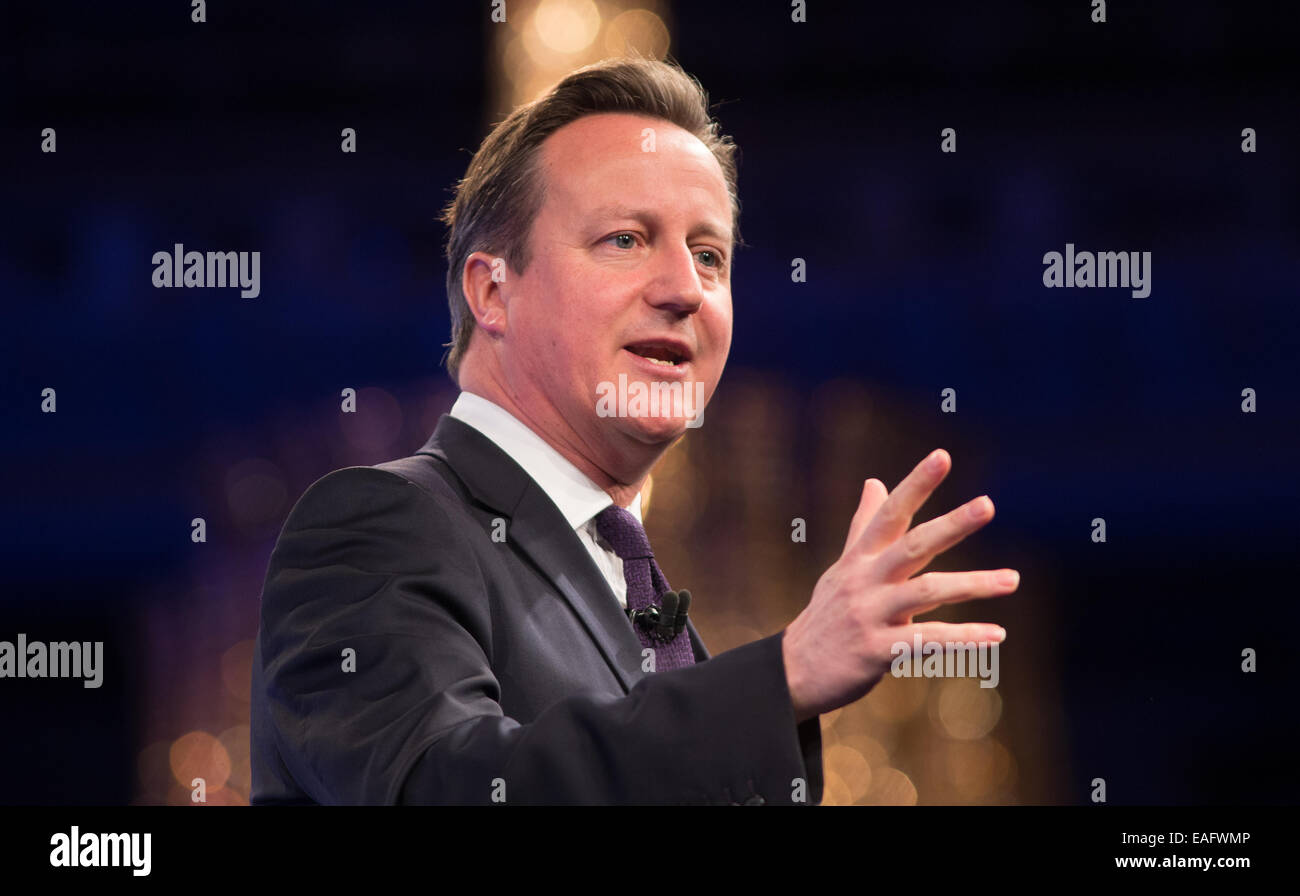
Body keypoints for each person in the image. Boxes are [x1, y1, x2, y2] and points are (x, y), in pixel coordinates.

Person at [249, 57, 1018, 805]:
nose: (685, 288)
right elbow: (449, 787)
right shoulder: (377, 525)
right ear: (492, 291)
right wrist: (781, 676)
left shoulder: (638, 588)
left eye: (709, 255)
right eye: (625, 239)